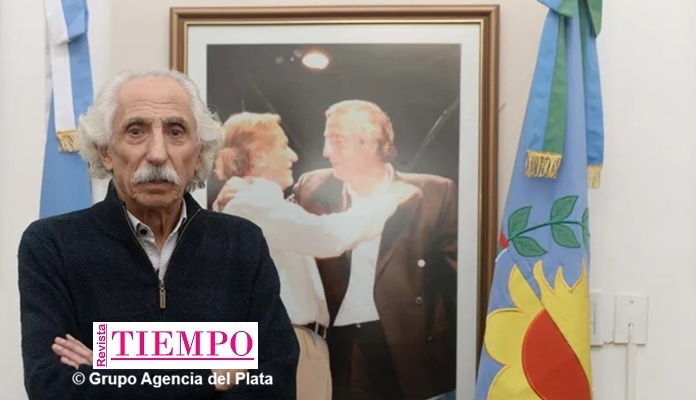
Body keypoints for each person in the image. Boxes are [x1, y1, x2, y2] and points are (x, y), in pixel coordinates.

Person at [17, 69, 299, 400]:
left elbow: (275, 383)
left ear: (199, 152)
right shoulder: (53, 244)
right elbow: (52, 387)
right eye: (135, 131)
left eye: (176, 132)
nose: (157, 154)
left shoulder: (242, 242)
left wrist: (110, 369)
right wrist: (208, 378)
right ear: (106, 151)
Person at [212, 111, 416, 400]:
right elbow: (328, 237)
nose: (293, 156)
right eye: (283, 146)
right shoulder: (251, 203)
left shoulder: (257, 204)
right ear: (257, 157)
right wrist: (387, 200)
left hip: (298, 343)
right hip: (286, 343)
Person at [292, 100, 458, 400]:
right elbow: (271, 229)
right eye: (327, 141)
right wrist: (241, 195)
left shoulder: (435, 193)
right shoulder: (311, 188)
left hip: (411, 347)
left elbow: (460, 284)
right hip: (340, 346)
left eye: (338, 141)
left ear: (371, 145)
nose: (327, 151)